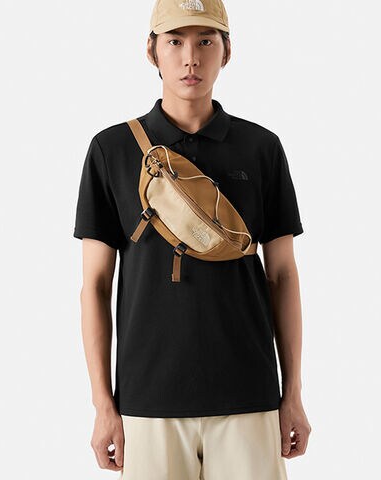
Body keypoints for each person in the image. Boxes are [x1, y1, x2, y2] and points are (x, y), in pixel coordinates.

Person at [73, 0, 311, 478]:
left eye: (206, 41)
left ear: (227, 51)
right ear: (151, 51)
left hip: (248, 394)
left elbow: (283, 275)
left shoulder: (261, 147)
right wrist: (103, 405)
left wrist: (292, 395)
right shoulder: (111, 150)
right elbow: (95, 287)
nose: (190, 58)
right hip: (147, 400)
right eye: (175, 41)